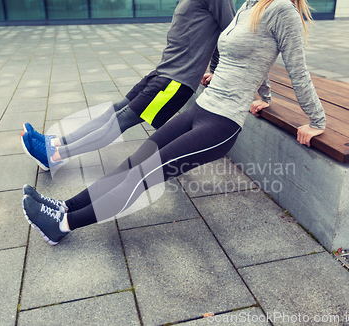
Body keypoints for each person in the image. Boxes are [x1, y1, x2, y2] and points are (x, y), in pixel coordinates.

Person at [22, 0, 327, 245]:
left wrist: (316, 120)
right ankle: (65, 206)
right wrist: (266, 95)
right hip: (201, 108)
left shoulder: (284, 11)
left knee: (141, 177)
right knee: (131, 164)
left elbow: (297, 69)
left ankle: (62, 225)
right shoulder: (251, 6)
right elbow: (256, 57)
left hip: (221, 125)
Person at [21, 0, 236, 171]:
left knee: (121, 120)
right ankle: (57, 143)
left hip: (176, 81)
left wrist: (216, 70)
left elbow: (228, 33)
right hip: (161, 72)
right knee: (115, 109)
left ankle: (54, 157)